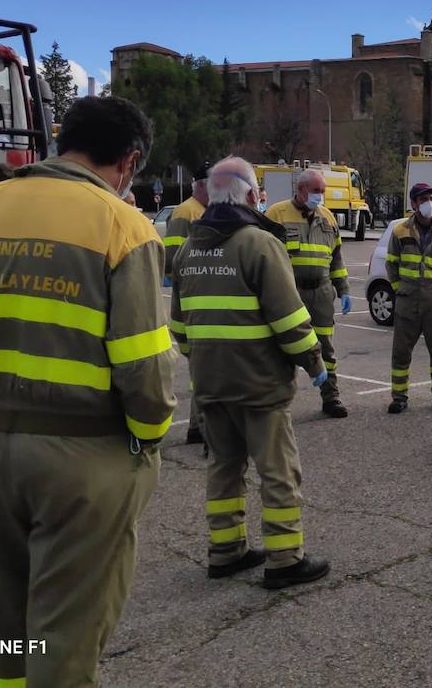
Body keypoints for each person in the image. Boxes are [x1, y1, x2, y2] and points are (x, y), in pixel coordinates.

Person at [0, 96, 176, 684]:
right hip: (85, 454)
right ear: (128, 162)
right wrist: (148, 441)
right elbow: (144, 364)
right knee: (68, 636)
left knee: (5, 623)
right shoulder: (122, 225)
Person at [170, 156, 331, 587]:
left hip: (211, 384)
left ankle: (225, 551)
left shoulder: (189, 248)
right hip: (259, 384)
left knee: (224, 466)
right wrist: (315, 363)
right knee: (278, 471)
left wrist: (204, 362)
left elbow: (179, 328)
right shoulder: (259, 244)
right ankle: (285, 558)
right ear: (248, 195)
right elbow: (289, 320)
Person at [266, 169, 353, 418]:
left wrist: (344, 289)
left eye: (323, 191)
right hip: (289, 293)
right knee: (282, 348)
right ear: (301, 189)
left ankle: (331, 396)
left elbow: (336, 258)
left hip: (321, 293)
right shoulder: (276, 214)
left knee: (325, 347)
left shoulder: (327, 218)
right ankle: (275, 402)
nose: (321, 197)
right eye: (317, 191)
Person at [385, 183, 432, 413]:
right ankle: (399, 397)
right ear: (414, 203)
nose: (429, 202)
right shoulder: (400, 231)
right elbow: (391, 264)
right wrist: (401, 289)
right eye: (424, 198)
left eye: (430, 198)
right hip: (407, 299)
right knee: (401, 351)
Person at [163, 167, 211, 444]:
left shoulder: (198, 210)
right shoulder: (186, 213)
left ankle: (197, 426)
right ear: (202, 187)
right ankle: (201, 427)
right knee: (202, 368)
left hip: (197, 292)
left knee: (201, 370)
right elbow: (173, 258)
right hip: (192, 295)